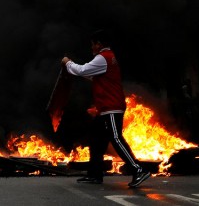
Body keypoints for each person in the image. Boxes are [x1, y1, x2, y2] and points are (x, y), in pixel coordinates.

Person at [61, 30, 150, 189]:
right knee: (95, 138)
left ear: (98, 44)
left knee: (115, 138)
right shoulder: (108, 58)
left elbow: (82, 70)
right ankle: (94, 174)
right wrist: (77, 71)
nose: (91, 48)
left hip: (112, 108)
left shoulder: (103, 58)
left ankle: (139, 169)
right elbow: (92, 76)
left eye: (92, 44)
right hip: (105, 109)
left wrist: (68, 62)